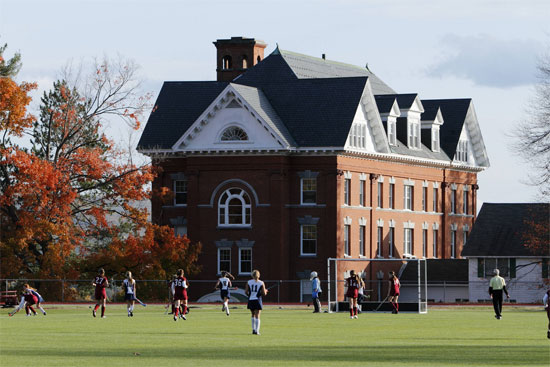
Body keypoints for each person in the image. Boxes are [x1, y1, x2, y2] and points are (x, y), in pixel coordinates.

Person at [245, 269, 268, 335]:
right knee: (257, 315)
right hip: (257, 300)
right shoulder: (261, 282)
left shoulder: (248, 282)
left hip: (251, 300)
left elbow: (246, 292)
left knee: (252, 315)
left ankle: (253, 329)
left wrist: (250, 296)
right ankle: (257, 331)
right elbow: (264, 293)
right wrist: (266, 291)